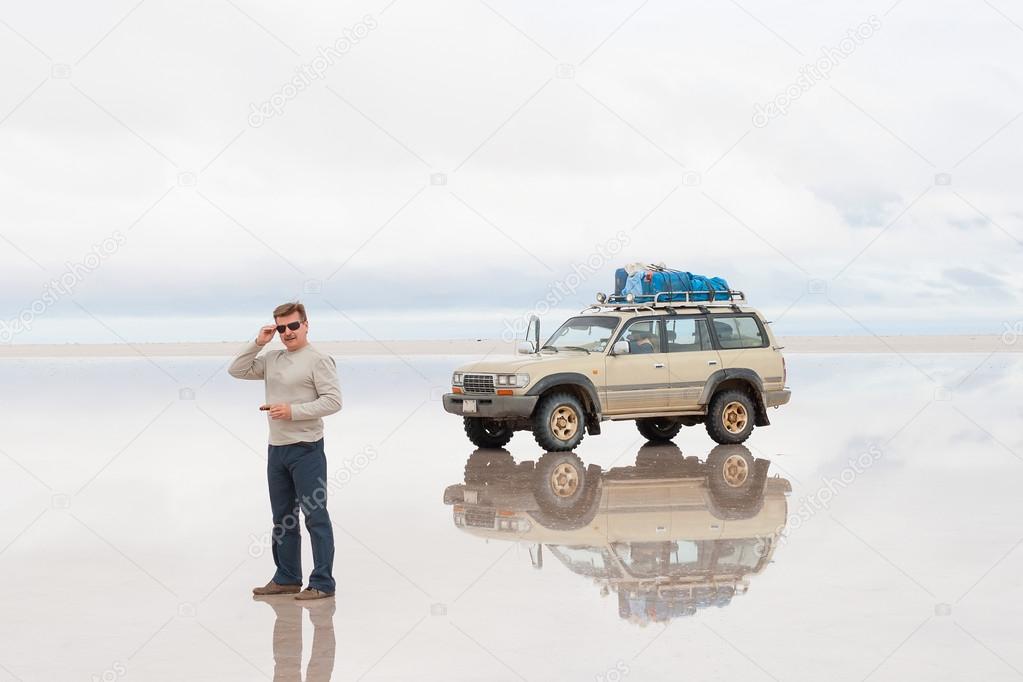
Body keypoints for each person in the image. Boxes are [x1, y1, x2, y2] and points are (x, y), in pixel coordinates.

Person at [229, 301, 342, 600]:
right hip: (276, 449)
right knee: (282, 518)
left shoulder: (318, 360)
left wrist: (292, 411)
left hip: (307, 449)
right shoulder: (272, 358)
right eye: (281, 328)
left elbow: (333, 401)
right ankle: (287, 577)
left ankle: (322, 583)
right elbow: (236, 369)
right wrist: (258, 342)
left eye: (293, 326)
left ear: (306, 325)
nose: (288, 332)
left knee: (315, 516)